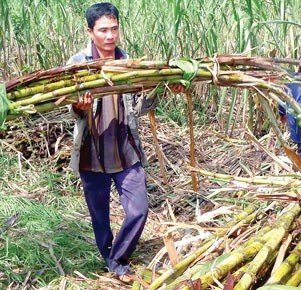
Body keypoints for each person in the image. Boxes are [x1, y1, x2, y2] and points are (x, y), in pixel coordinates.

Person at [67, 3, 184, 283]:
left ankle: (118, 258)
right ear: (90, 32)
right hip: (91, 153)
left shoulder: (131, 63)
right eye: (103, 30)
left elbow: (141, 107)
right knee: (100, 218)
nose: (110, 36)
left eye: (114, 29)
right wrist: (80, 107)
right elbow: (67, 111)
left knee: (139, 210)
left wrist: (162, 87)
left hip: (125, 150)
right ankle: (112, 261)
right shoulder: (77, 65)